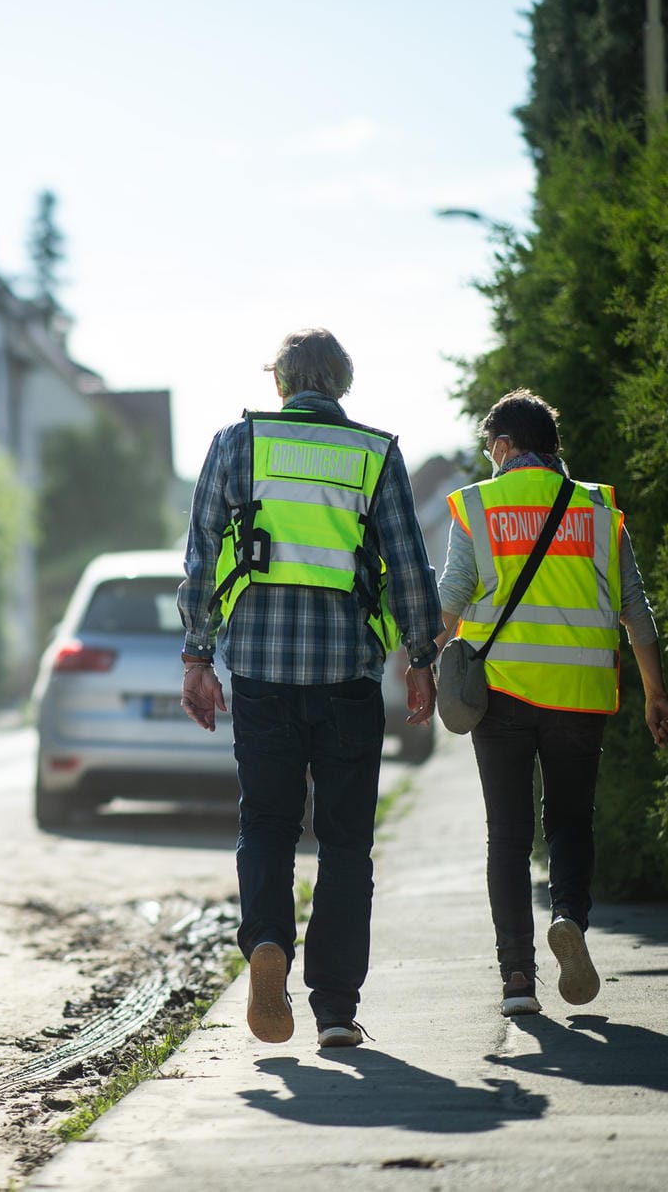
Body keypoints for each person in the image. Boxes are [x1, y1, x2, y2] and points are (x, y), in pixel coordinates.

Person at [178, 328, 441, 1049]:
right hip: (347, 678)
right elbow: (410, 568)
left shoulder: (238, 444)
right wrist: (422, 659)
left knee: (266, 822)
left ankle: (267, 940)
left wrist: (198, 657)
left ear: (283, 384)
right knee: (347, 844)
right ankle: (334, 1009)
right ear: (342, 385)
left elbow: (201, 558)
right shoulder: (373, 452)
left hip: (261, 673)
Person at [440, 388, 668, 1018]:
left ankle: (518, 978)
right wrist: (656, 693)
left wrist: (420, 665)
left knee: (508, 837)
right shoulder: (599, 511)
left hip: (501, 698)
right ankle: (568, 917)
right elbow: (637, 612)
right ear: (552, 449)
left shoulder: (479, 508)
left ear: (504, 447)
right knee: (571, 823)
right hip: (579, 696)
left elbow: (451, 602)